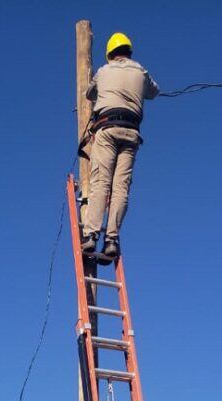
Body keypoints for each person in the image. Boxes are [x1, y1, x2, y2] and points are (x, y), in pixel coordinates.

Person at [82, 32, 159, 260]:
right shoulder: (141, 71)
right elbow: (154, 91)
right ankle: (112, 239)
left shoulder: (104, 71)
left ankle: (91, 235)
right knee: (121, 188)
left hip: (107, 129)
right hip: (131, 132)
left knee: (101, 182)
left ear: (110, 54)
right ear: (129, 51)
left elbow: (88, 93)